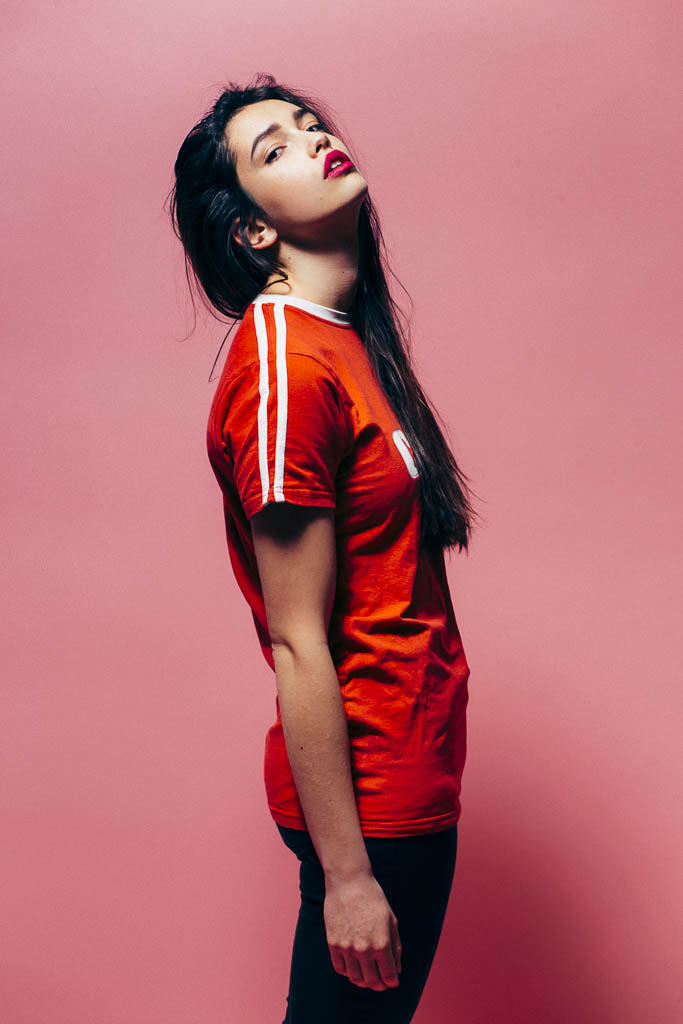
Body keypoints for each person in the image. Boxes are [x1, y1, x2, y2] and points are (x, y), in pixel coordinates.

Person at [168, 71, 480, 1024]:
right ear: (252, 231)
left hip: (414, 779)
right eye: (275, 148)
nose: (311, 139)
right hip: (371, 803)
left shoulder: (343, 340)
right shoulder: (286, 369)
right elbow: (297, 637)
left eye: (309, 125)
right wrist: (347, 877)